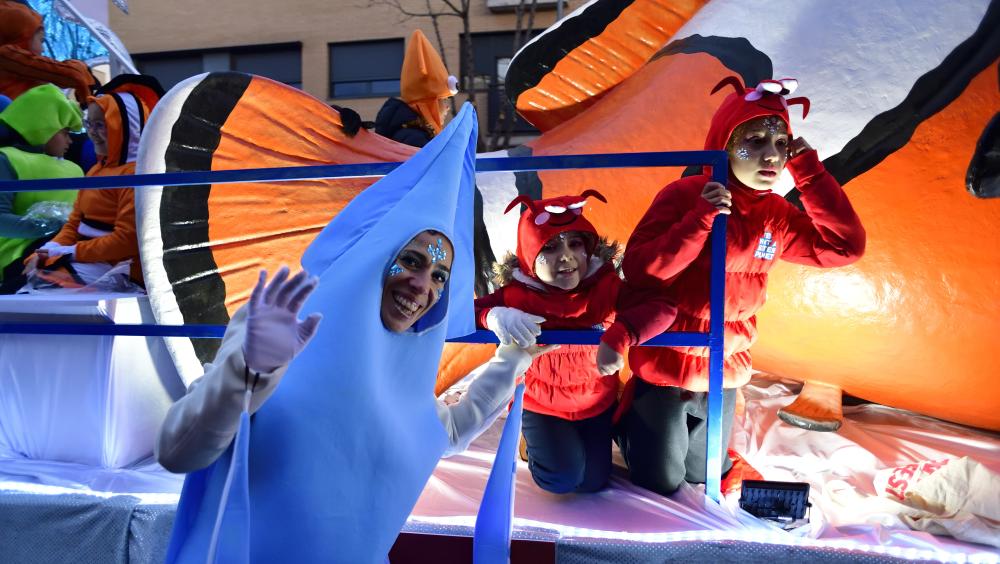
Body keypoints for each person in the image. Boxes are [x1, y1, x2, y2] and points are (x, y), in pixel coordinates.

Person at [159, 104, 543, 563]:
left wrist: (514, 357)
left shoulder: (411, 396)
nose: (422, 286)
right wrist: (247, 373)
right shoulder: (279, 330)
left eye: (440, 276)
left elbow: (452, 427)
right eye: (412, 261)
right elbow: (179, 452)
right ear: (374, 257)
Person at [615, 76, 867, 496]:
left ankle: (675, 443)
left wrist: (810, 172)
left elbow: (845, 247)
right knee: (660, 480)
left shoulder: (777, 214)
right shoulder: (684, 194)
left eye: (782, 144)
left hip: (723, 364)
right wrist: (699, 219)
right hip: (667, 364)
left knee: (702, 474)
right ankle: (625, 421)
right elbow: (642, 271)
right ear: (725, 145)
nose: (772, 156)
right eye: (755, 141)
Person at [474, 191, 677, 494]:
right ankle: (531, 444)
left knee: (594, 482)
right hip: (541, 403)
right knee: (559, 480)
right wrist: (493, 316)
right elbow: (465, 313)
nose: (566, 256)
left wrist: (620, 335)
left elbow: (663, 308)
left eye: (575, 244)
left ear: (588, 248)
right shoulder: (516, 295)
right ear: (529, 256)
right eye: (550, 247)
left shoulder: (606, 288)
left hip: (595, 402)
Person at [25, 74, 164, 290]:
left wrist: (69, 252)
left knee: (37, 287)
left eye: (101, 125)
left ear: (126, 127)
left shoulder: (138, 175)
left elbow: (127, 241)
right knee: (27, 275)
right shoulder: (96, 171)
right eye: (89, 124)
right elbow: (73, 224)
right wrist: (49, 249)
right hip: (91, 263)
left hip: (123, 270)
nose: (92, 133)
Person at [0, 83, 83, 293]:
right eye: (65, 132)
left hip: (60, 255)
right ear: (44, 127)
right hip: (15, 263)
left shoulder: (76, 169)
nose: (70, 141)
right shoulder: (6, 160)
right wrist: (53, 227)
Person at [374, 29, 458, 148]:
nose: (447, 107)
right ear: (430, 102)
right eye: (444, 99)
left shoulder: (411, 134)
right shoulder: (415, 139)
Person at [0, 0, 96, 104]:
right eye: (40, 41)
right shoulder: (8, 56)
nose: (43, 49)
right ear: (21, 37)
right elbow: (71, 74)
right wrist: (81, 68)